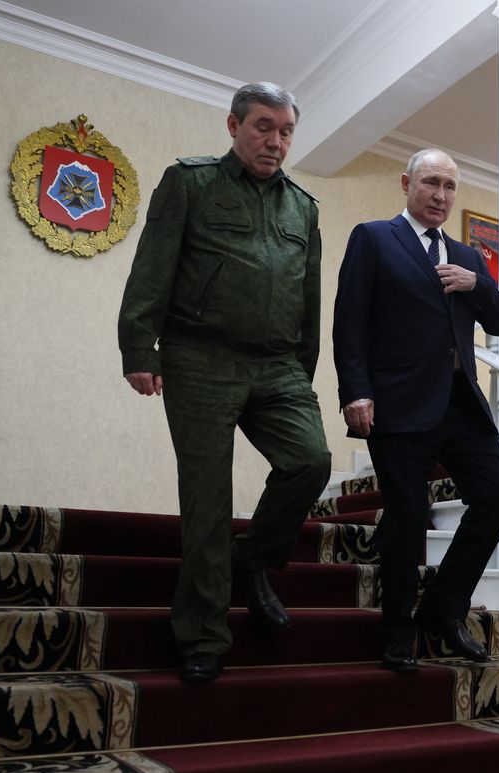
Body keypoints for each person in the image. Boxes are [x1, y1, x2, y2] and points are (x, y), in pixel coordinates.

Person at [117, 83, 331, 684]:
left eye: (286, 130)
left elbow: (307, 301)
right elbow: (152, 265)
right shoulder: (189, 182)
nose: (276, 140)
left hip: (278, 366)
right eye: (264, 126)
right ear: (233, 125)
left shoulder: (303, 208)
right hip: (198, 359)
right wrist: (140, 346)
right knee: (207, 501)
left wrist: (303, 373)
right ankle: (203, 635)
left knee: (310, 461)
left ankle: (254, 559)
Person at [333, 149, 499, 673]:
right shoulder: (373, 238)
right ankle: (395, 628)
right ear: (406, 183)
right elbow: (350, 322)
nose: (441, 195)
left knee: (498, 493)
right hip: (397, 405)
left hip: (461, 405)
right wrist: (355, 392)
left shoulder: (467, 255)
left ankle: (444, 605)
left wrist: (475, 283)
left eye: (450, 186)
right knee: (409, 513)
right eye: (431, 182)